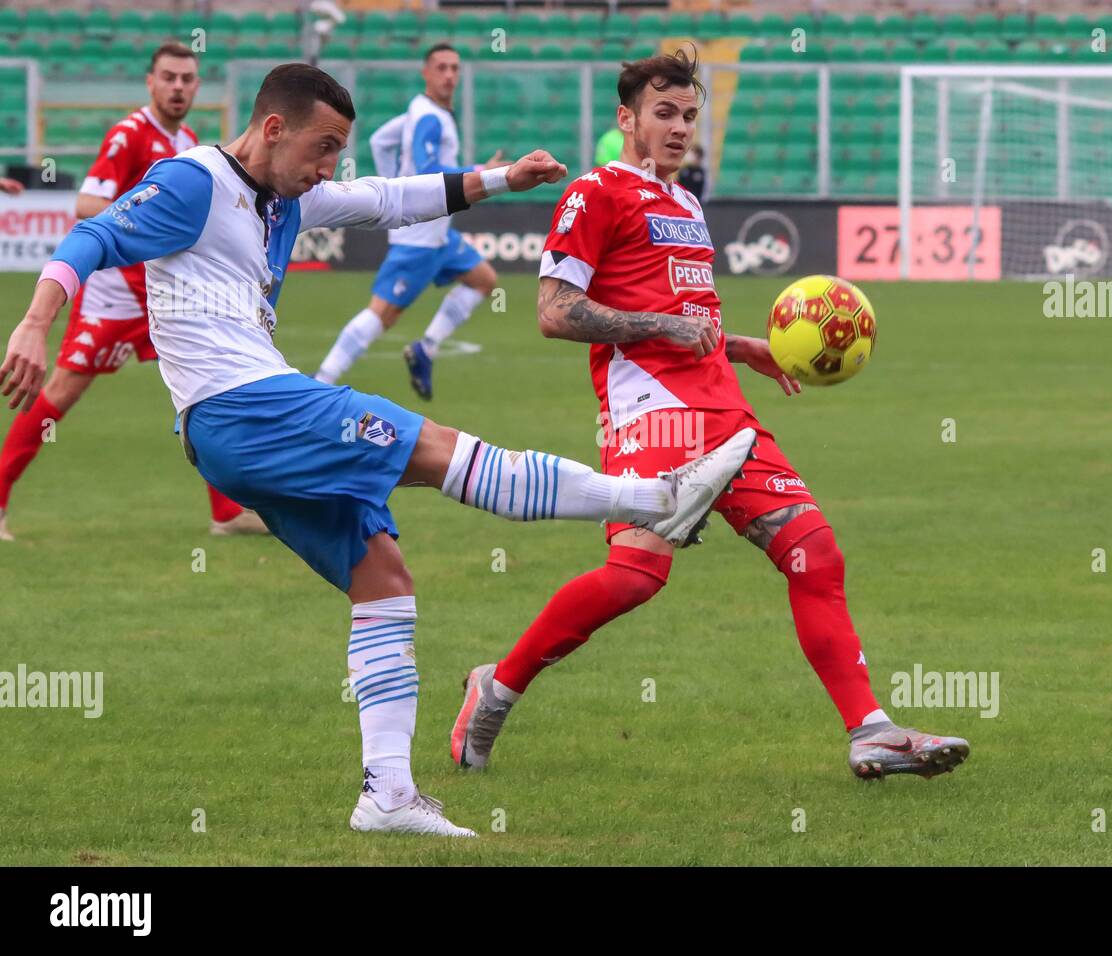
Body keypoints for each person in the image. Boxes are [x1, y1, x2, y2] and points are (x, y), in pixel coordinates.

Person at [1, 63, 754, 836]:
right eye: (322, 148)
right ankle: (655, 498)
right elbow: (93, 233)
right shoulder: (194, 182)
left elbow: (391, 199)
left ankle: (387, 795)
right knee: (432, 449)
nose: (329, 168)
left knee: (384, 578)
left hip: (239, 426)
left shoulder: (287, 194)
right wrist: (34, 320)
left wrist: (504, 178)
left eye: (337, 152)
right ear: (272, 129)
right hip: (243, 409)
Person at [450, 49, 971, 782]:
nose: (679, 128)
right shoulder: (594, 195)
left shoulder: (687, 204)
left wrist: (739, 345)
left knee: (815, 553)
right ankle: (497, 687)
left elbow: (686, 311)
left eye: (690, 115)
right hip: (651, 417)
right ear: (626, 118)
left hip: (726, 411)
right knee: (634, 578)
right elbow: (554, 313)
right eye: (664, 113)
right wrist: (664, 329)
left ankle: (871, 730)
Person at [0, 42, 263, 541]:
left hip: (162, 296)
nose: (179, 87)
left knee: (208, 385)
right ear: (151, 82)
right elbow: (86, 202)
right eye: (169, 77)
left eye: (187, 79)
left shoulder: (186, 139)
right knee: (59, 394)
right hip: (114, 297)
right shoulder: (129, 135)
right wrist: (141, 215)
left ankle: (227, 512)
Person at [314, 43, 508, 400]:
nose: (449, 75)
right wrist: (482, 171)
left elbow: (379, 141)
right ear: (426, 73)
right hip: (418, 239)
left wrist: (394, 193)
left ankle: (425, 348)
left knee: (484, 280)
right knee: (383, 315)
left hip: (439, 236)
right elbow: (429, 170)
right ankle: (321, 383)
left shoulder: (420, 112)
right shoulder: (430, 118)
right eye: (441, 68)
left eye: (454, 68)